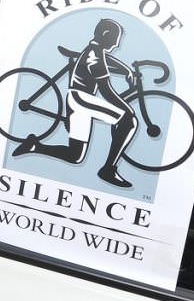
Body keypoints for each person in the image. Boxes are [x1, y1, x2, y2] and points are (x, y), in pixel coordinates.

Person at [12, 18, 138, 188]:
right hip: (82, 100)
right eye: (116, 39)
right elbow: (107, 92)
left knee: (75, 156)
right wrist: (128, 109)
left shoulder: (95, 51)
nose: (116, 45)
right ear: (106, 34)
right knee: (129, 120)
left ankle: (35, 146)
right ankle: (108, 169)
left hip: (78, 101)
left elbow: (106, 59)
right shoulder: (94, 57)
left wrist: (126, 69)